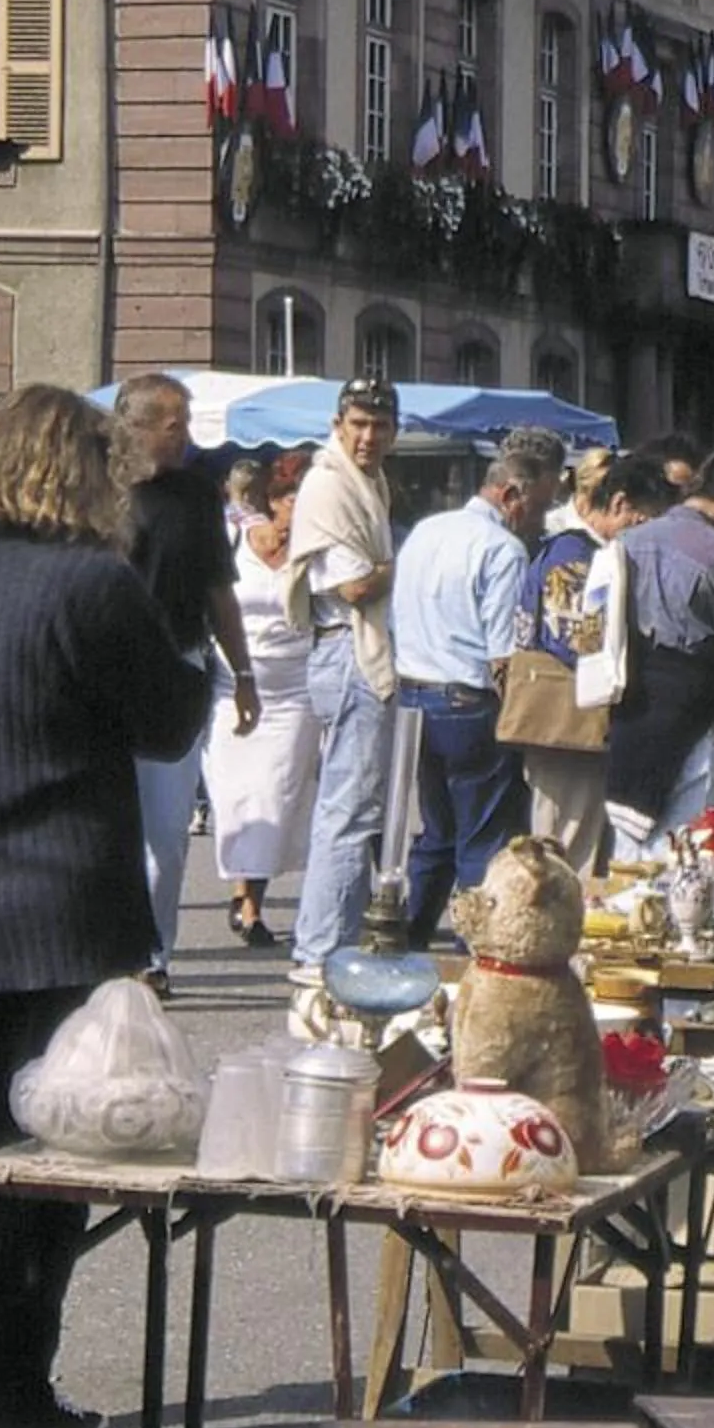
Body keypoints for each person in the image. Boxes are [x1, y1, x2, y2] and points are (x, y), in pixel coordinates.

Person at [0, 387, 210, 1428]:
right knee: (52, 1151)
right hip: (51, 910)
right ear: (90, 472)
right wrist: (194, 662)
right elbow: (168, 726)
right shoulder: (93, 583)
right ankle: (14, 1389)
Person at [391, 427, 567, 942]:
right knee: (484, 838)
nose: (538, 520)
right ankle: (484, 946)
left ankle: (411, 935)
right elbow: (501, 655)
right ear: (511, 494)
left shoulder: (426, 530)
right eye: (537, 507)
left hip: (415, 695)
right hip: (468, 701)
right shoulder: (503, 549)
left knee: (437, 833)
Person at [117, 372, 259, 990]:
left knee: (168, 836)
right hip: (98, 678)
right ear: (137, 426)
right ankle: (103, 960)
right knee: (101, 832)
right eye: (176, 424)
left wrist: (245, 673)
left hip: (176, 672)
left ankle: (153, 958)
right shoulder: (92, 490)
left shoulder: (198, 497)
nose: (186, 436)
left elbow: (219, 593)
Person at [284, 378, 401, 993]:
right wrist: (395, 565)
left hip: (355, 651)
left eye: (379, 426)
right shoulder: (328, 481)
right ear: (338, 424)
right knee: (349, 812)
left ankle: (335, 942)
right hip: (346, 650)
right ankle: (319, 952)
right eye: (358, 423)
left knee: (361, 809)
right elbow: (355, 586)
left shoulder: (371, 482)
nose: (367, 436)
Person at [606, 445, 714, 857]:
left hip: (629, 715)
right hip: (698, 721)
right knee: (691, 851)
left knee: (630, 855)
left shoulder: (628, 541)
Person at [509, 451, 674, 874]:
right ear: (619, 504)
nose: (646, 534)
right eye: (644, 520)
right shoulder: (573, 558)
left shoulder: (589, 554)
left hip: (578, 724)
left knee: (580, 845)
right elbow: (576, 641)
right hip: (566, 724)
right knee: (564, 850)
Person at [207, 450, 319, 946]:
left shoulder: (319, 551)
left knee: (275, 795)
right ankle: (239, 883)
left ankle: (251, 902)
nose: (301, 508)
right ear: (274, 501)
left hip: (294, 686)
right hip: (230, 684)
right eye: (294, 498)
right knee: (234, 798)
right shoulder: (234, 541)